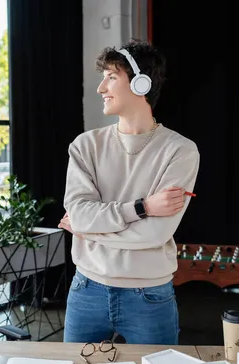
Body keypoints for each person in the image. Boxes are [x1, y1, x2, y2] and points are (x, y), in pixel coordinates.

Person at [59, 39, 200, 345]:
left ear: (141, 83)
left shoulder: (181, 151)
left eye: (111, 77)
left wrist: (85, 230)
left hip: (149, 296)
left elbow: (153, 235)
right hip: (86, 289)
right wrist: (142, 207)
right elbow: (81, 212)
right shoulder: (85, 146)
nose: (101, 88)